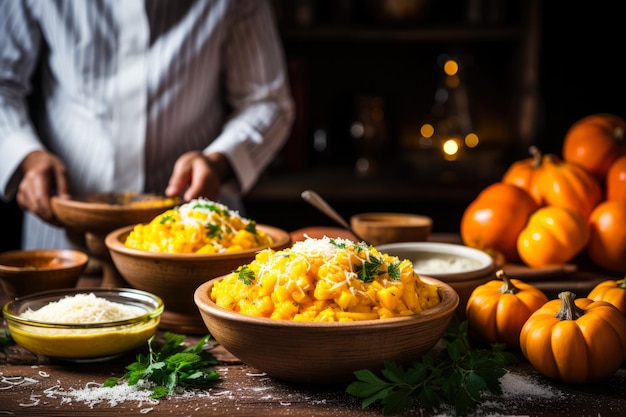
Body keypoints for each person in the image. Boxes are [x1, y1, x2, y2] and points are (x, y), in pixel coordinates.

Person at [0, 0, 295, 250]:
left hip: (198, 241)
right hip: (62, 236)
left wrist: (218, 161)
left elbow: (266, 101)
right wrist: (25, 156)